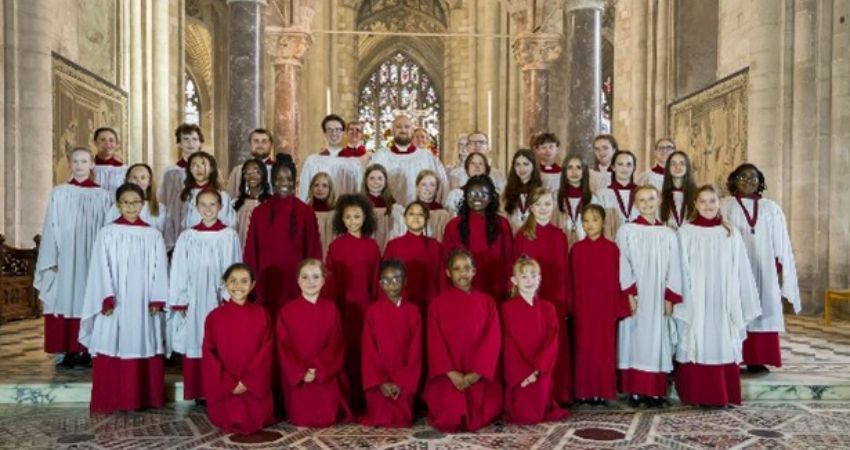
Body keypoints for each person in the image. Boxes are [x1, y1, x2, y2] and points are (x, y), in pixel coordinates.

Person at [78, 183, 169, 413]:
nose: (131, 207)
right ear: (118, 205)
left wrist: (157, 299)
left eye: (135, 202)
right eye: (126, 202)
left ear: (143, 204)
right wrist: (105, 296)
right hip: (115, 302)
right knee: (112, 340)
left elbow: (160, 269)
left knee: (142, 340)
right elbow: (100, 266)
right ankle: (112, 398)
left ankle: (143, 398)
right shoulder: (107, 233)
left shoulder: (153, 234)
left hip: (143, 303)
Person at [674, 185, 761, 407]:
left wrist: (741, 299)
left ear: (719, 203)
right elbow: (679, 268)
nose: (708, 206)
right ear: (695, 205)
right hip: (695, 298)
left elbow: (741, 268)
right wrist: (681, 298)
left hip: (724, 298)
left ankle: (723, 394)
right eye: (702, 201)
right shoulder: (685, 232)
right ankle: (697, 395)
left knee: (722, 338)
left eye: (712, 201)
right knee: (696, 339)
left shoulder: (729, 233)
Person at [35, 147, 113, 368]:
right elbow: (51, 227)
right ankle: (68, 350)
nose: (79, 166)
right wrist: (53, 257)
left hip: (92, 256)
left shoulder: (103, 195)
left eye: (84, 161)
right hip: (66, 255)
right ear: (70, 164)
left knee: (89, 297)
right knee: (66, 298)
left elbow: (107, 228)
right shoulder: (59, 193)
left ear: (91, 165)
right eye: (75, 161)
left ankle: (87, 348)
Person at [721, 164, 800, 373]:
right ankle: (733, 356)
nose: (749, 180)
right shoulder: (725, 205)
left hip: (763, 268)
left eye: (754, 177)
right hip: (735, 267)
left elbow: (781, 240)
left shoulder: (770, 208)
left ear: (761, 181)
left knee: (764, 309)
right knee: (737, 307)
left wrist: (781, 266)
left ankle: (758, 359)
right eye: (743, 176)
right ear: (734, 180)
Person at [168, 189, 242, 402]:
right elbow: (179, 270)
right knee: (196, 340)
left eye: (212, 205)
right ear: (196, 207)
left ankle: (218, 388)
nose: (208, 209)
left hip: (219, 300)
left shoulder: (229, 236)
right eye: (203, 204)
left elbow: (234, 268)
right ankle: (199, 390)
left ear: (220, 207)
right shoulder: (187, 237)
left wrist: (230, 298)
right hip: (194, 299)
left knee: (219, 344)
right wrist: (180, 301)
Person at [615, 186, 682, 408]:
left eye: (651, 199)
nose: (646, 204)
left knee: (656, 341)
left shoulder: (668, 233)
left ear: (658, 200)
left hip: (658, 296)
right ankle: (635, 390)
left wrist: (670, 297)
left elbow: (675, 267)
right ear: (635, 203)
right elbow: (622, 262)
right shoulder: (627, 230)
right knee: (634, 340)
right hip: (636, 295)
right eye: (641, 200)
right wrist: (630, 293)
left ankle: (655, 391)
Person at [424, 249, 502, 433]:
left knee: (483, 412)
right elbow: (435, 343)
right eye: (457, 269)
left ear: (474, 271)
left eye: (467, 268)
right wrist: (451, 373)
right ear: (448, 273)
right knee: (448, 416)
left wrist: (476, 373)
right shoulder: (437, 304)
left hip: (479, 375)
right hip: (449, 376)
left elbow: (493, 340)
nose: (463, 273)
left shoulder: (487, 302)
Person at [276, 259, 353, 427]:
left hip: (325, 375)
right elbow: (284, 347)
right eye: (305, 277)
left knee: (329, 416)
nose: (311, 282)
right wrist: (302, 371)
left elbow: (336, 344)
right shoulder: (286, 312)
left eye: (316, 277)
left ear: (324, 280)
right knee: (302, 417)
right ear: (297, 280)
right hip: (299, 378)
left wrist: (317, 369)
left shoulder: (332, 308)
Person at [243, 154, 322, 317]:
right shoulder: (259, 212)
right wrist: (251, 283)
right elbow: (251, 250)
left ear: (295, 181)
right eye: (279, 178)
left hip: (297, 282)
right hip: (266, 282)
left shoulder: (306, 212)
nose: (284, 183)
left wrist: (312, 281)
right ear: (272, 181)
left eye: (288, 178)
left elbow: (313, 250)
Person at [323, 194, 381, 413]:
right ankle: (348, 400)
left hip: (367, 309)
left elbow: (376, 280)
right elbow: (331, 281)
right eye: (348, 217)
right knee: (346, 354)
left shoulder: (373, 246)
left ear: (365, 218)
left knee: (367, 354)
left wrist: (376, 309)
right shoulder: (335, 247)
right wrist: (332, 311)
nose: (353, 221)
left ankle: (366, 399)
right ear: (342, 220)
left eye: (357, 216)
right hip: (344, 310)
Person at [514, 188, 572, 404]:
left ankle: (558, 393)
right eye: (538, 204)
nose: (543, 209)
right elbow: (516, 272)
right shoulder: (522, 236)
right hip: (532, 300)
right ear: (530, 207)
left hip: (555, 299)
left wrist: (566, 304)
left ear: (553, 207)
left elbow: (565, 272)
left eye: (547, 204)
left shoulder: (559, 236)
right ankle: (535, 392)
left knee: (555, 346)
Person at [202, 263, 274, 435]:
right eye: (233, 281)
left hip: (254, 388)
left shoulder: (262, 314)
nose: (238, 286)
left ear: (253, 284)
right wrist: (228, 384)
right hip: (226, 389)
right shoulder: (214, 317)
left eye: (244, 281)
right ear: (225, 284)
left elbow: (266, 351)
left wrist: (249, 381)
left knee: (257, 417)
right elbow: (209, 355)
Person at [570, 204, 630, 404]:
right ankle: (585, 392)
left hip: (605, 308)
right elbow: (571, 279)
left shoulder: (612, 249)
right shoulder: (576, 250)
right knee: (584, 348)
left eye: (594, 220)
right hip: (584, 308)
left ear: (603, 221)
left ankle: (603, 391)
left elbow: (619, 280)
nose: (589, 225)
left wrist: (617, 307)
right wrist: (572, 307)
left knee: (604, 350)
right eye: (585, 221)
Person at [501, 257, 569, 424]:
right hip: (519, 374)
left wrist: (537, 371)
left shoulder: (549, 308)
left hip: (541, 371)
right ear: (514, 280)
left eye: (533, 275)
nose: (529, 280)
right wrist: (523, 374)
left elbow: (552, 342)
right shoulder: (507, 308)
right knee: (521, 413)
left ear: (539, 278)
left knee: (538, 410)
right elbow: (508, 343)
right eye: (523, 276)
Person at [360, 259, 422, 428]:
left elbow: (415, 351)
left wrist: (402, 381)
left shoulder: (413, 311)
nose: (391, 283)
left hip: (404, 379)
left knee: (403, 418)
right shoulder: (372, 312)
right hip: (379, 379)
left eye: (396, 278)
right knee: (380, 415)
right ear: (380, 283)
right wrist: (381, 381)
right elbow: (369, 350)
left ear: (405, 281)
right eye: (386, 280)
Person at [443, 175, 514, 302]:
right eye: (472, 193)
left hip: (496, 293)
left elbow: (508, 260)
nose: (477, 197)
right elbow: (447, 263)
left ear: (491, 196)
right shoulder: (453, 226)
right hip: (462, 294)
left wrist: (509, 289)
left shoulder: (502, 224)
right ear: (465, 196)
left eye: (483, 193)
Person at [371, 114, 448, 205]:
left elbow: (442, 183)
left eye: (407, 127)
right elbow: (369, 184)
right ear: (393, 131)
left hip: (421, 212)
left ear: (412, 131)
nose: (403, 130)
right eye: (398, 127)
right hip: (388, 211)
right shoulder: (381, 156)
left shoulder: (426, 157)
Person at [383, 201, 446, 312]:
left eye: (420, 214)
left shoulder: (436, 246)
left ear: (426, 219)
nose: (416, 217)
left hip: (430, 302)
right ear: (405, 218)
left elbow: (442, 280)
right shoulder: (393, 245)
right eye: (411, 214)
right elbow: (385, 277)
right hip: (401, 303)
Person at [299, 115, 366, 200]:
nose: (334, 133)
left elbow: (359, 189)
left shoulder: (353, 161)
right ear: (324, 133)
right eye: (329, 130)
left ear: (343, 133)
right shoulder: (313, 161)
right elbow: (304, 191)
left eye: (338, 130)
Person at [161, 123, 204, 251]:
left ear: (200, 143)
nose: (190, 143)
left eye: (194, 139)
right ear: (179, 144)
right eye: (185, 139)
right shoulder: (172, 172)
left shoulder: (211, 169)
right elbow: (165, 200)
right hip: (178, 218)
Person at [179, 152, 236, 232]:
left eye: (203, 164)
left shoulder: (222, 196)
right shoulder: (185, 196)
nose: (198, 168)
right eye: (194, 164)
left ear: (212, 168)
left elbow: (229, 223)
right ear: (190, 169)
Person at [106, 163, 167, 234]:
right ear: (127, 180)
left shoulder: (160, 208)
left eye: (143, 178)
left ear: (149, 182)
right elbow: (109, 230)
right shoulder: (117, 206)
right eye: (134, 178)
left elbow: (161, 232)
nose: (138, 181)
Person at [556, 154, 600, 244]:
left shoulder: (593, 199)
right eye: (570, 167)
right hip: (560, 244)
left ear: (584, 171)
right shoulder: (554, 197)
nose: (574, 171)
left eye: (578, 167)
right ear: (564, 171)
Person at [597, 150, 639, 238]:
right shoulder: (602, 194)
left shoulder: (641, 193)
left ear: (634, 167)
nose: (624, 168)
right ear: (613, 167)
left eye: (628, 164)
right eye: (620, 164)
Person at [361, 164, 404, 250]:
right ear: (365, 181)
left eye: (380, 178)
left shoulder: (394, 207)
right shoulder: (359, 204)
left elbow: (399, 231)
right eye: (371, 178)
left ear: (385, 181)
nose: (376, 182)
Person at [233, 159, 272, 249]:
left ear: (263, 174)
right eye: (247, 172)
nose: (252, 176)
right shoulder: (238, 203)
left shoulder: (270, 203)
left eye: (256, 171)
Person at [502, 149, 543, 232]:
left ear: (533, 166)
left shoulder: (541, 190)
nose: (521, 168)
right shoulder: (507, 191)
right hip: (513, 236)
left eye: (526, 164)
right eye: (517, 164)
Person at [659, 151, 697, 229]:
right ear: (668, 168)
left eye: (682, 163)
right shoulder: (660, 196)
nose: (677, 167)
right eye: (673, 164)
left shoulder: (697, 195)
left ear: (687, 167)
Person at [414, 169, 450, 240]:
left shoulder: (443, 214)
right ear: (417, 188)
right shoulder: (409, 212)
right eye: (424, 185)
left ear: (436, 189)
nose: (428, 189)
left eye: (432, 185)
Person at [307, 171, 337, 256]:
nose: (320, 189)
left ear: (330, 189)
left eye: (324, 186)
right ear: (311, 188)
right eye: (316, 185)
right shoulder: (305, 211)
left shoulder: (337, 213)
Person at [92, 127, 127, 197]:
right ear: (95, 143)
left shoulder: (123, 170)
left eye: (111, 140)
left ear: (116, 144)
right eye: (102, 140)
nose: (107, 144)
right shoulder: (86, 168)